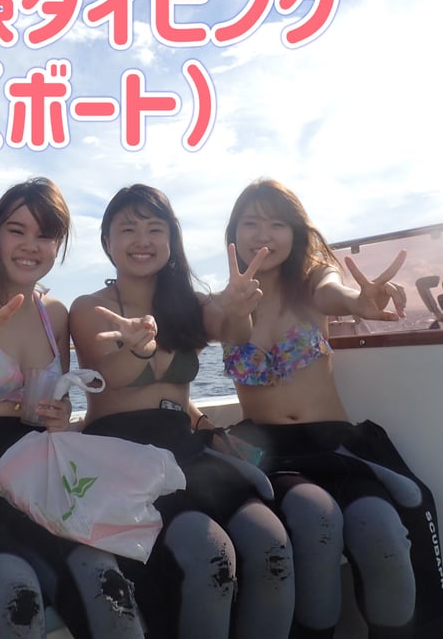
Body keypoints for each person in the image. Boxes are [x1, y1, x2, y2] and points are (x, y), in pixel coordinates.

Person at [0, 177, 146, 639]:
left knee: (106, 585)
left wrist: (59, 418)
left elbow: (58, 395)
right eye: (16, 230)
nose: (30, 245)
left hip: (34, 471)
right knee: (12, 591)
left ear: (58, 245)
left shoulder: (55, 313)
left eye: (45, 235)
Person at [69, 183, 295, 639]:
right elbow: (110, 373)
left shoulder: (189, 304)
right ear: (106, 241)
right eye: (128, 229)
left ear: (171, 239)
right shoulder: (90, 307)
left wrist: (238, 309)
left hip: (185, 452)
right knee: (211, 557)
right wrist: (136, 350)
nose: (142, 240)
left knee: (272, 545)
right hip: (119, 457)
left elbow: (232, 332)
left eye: (155, 228)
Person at [222, 178, 443, 639]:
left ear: (296, 233)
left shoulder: (312, 282)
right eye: (251, 223)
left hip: (335, 445)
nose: (263, 234)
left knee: (382, 529)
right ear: (233, 233)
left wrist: (360, 300)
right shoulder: (225, 303)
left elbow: (335, 292)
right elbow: (203, 326)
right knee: (314, 520)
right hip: (272, 454)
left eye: (277, 224)